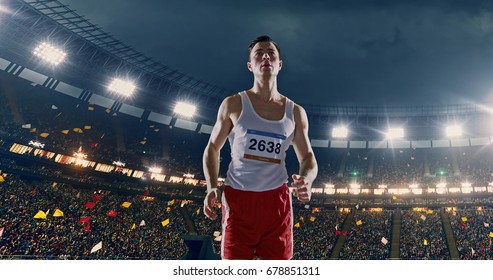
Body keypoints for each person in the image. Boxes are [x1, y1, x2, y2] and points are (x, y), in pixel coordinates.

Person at [202, 35, 318, 260]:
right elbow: (212, 149)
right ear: (250, 65)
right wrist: (210, 186)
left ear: (279, 64)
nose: (266, 55)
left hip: (276, 203)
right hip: (238, 201)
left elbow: (308, 157)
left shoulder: (295, 112)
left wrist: (307, 179)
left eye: (271, 52)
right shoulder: (233, 104)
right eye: (259, 52)